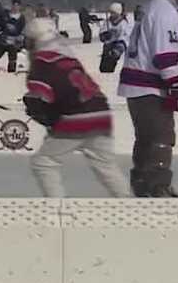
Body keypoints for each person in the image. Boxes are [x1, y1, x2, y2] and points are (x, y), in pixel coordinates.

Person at [22, 17, 128, 198]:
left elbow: (41, 99)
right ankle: (129, 204)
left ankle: (57, 207)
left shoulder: (41, 63)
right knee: (106, 165)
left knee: (44, 162)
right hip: (101, 113)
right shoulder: (68, 57)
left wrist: (37, 109)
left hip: (77, 118)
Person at [119, 0, 178, 197]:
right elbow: (165, 53)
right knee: (162, 135)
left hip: (135, 87)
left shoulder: (152, 6)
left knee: (146, 137)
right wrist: (176, 85)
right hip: (149, 87)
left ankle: (140, 183)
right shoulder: (165, 10)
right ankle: (157, 185)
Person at [98, 2, 132, 73]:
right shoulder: (108, 22)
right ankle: (104, 69)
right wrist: (104, 35)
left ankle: (111, 66)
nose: (112, 15)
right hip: (108, 44)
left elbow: (126, 35)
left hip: (118, 43)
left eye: (114, 13)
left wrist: (121, 44)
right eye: (111, 13)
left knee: (113, 57)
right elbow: (102, 31)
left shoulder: (123, 23)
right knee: (104, 64)